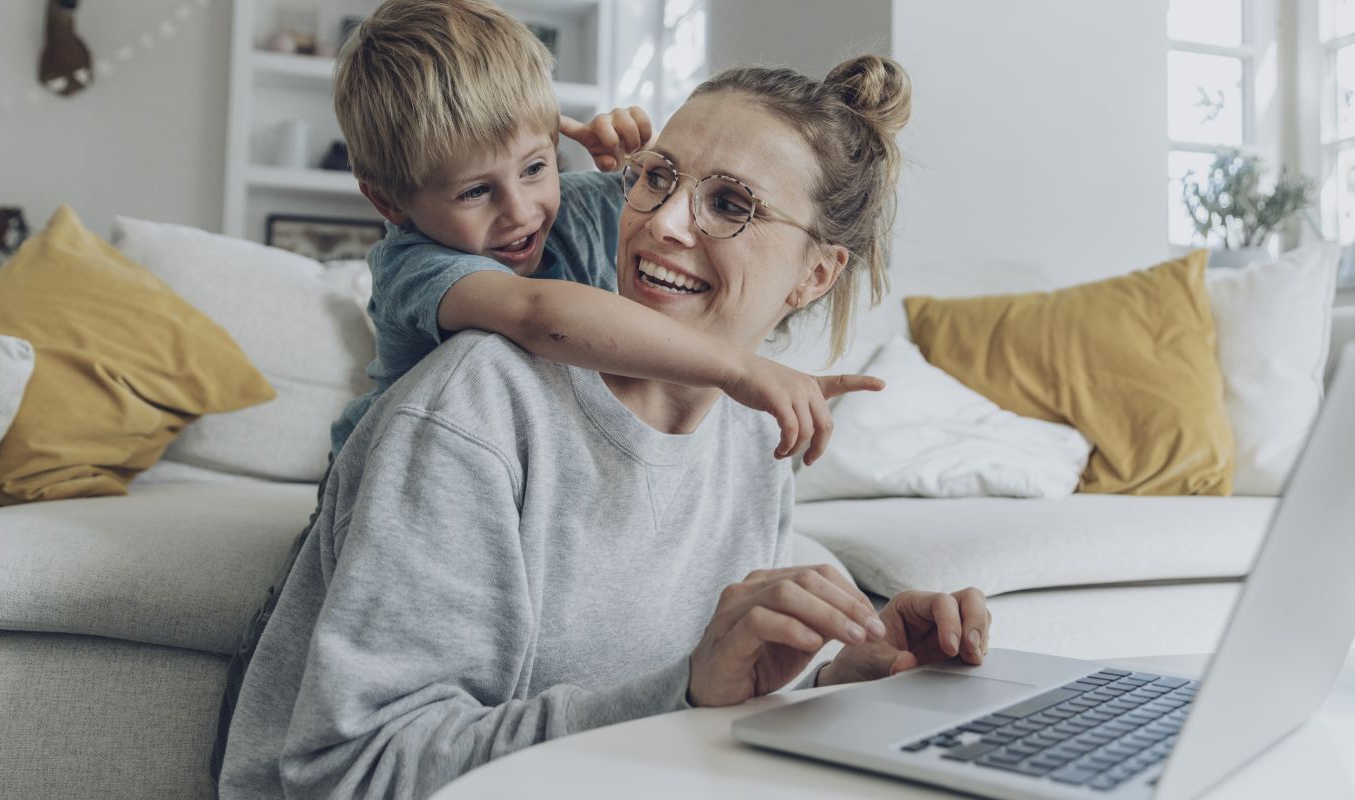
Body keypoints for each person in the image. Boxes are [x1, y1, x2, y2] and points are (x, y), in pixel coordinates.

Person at [219, 55, 991, 800]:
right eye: (657, 177)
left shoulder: (755, 438)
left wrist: (838, 680)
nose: (663, 225)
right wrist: (684, 691)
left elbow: (699, 708)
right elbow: (346, 774)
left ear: (817, 274)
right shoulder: (471, 408)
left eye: (730, 204)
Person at [329, 0, 878, 465]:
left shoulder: (579, 205)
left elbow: (675, 201)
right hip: (397, 481)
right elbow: (538, 314)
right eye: (475, 192)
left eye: (535, 168)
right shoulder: (415, 263)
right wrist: (738, 368)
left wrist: (636, 165)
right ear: (388, 201)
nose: (521, 211)